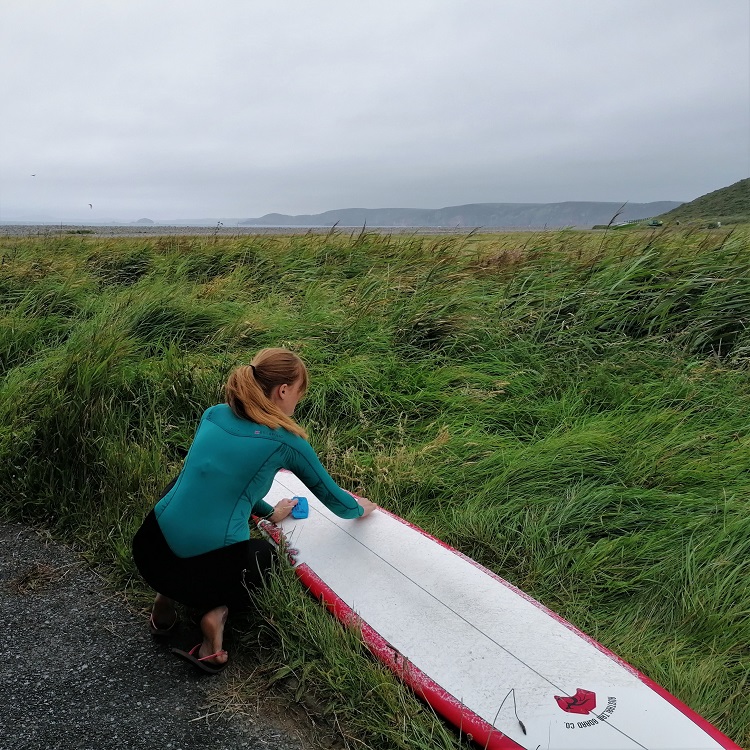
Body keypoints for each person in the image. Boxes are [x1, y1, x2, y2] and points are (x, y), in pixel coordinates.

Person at [132, 347, 377, 673]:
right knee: (266, 556)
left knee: (185, 484)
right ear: (283, 390)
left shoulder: (214, 414)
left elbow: (223, 486)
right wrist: (363, 508)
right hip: (198, 579)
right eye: (299, 393)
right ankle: (213, 621)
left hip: (149, 552)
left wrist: (267, 513)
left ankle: (164, 600)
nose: (297, 402)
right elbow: (337, 502)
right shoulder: (286, 442)